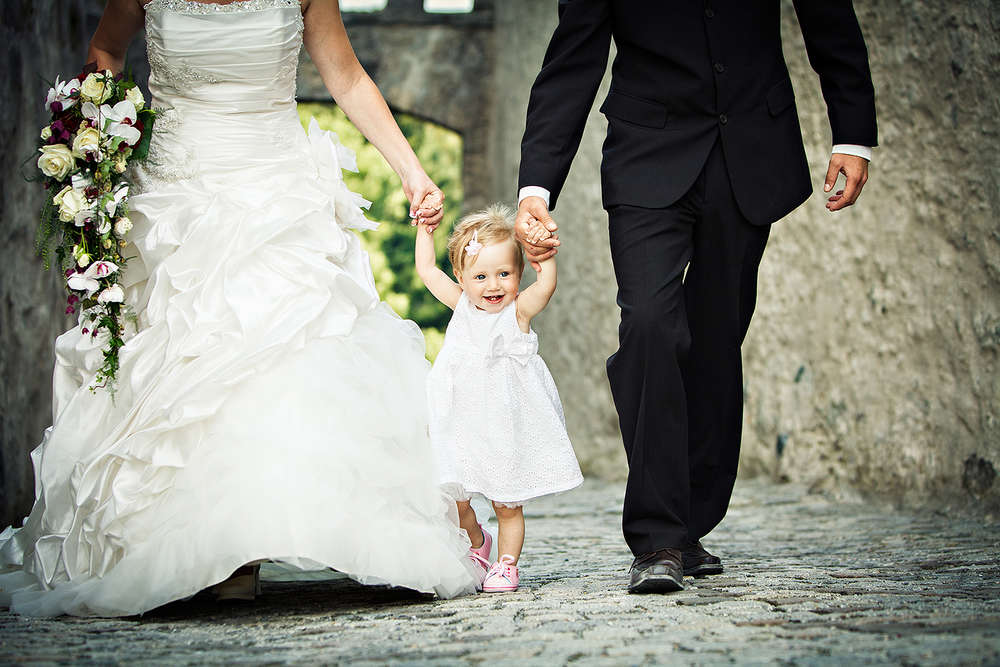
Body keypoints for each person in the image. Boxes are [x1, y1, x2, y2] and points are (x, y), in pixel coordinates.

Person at [0, 0, 479, 617]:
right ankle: (209, 544)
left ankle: (261, 534)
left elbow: (346, 75)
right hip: (178, 192)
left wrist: (412, 172)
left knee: (287, 353)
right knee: (189, 364)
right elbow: (106, 53)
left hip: (277, 185)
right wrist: (95, 147)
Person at [515, 1, 877, 592]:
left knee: (715, 339)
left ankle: (690, 525)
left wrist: (854, 132)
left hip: (753, 149)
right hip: (646, 155)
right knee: (650, 326)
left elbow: (826, 14)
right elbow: (573, 57)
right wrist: (537, 185)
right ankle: (657, 537)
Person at [414, 204, 583, 592]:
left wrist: (547, 262)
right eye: (481, 276)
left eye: (504, 274)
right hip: (463, 420)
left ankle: (507, 564)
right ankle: (477, 542)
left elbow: (546, 288)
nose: (493, 285)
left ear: (518, 274)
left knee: (507, 503)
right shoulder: (460, 306)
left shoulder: (517, 312)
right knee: (455, 497)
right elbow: (426, 270)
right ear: (462, 277)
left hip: (504, 426)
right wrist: (425, 230)